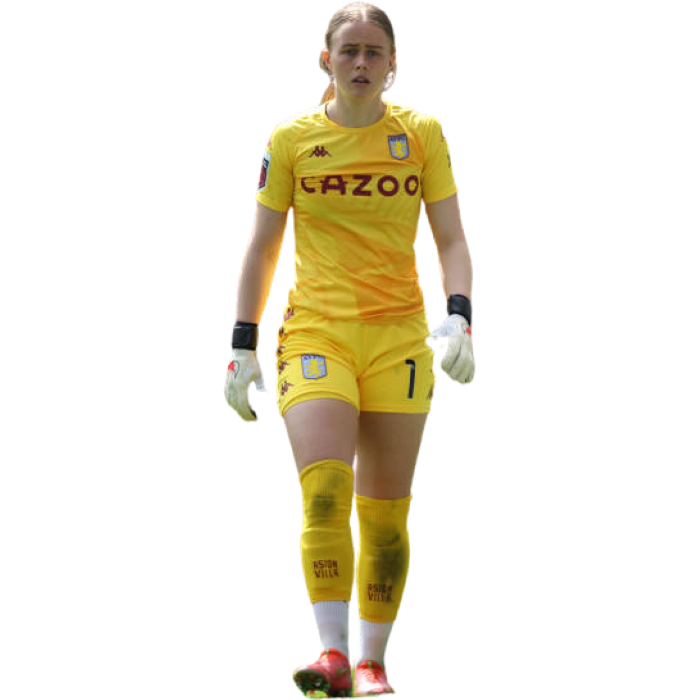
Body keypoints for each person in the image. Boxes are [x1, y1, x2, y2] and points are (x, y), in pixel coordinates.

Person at [224, 1, 475, 696]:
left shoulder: (422, 133)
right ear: (325, 60)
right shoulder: (291, 137)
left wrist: (460, 316)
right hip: (316, 330)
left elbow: (451, 236)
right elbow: (263, 245)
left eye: (374, 52)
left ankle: (372, 661)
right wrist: (242, 343)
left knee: (387, 513)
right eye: (349, 51)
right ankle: (331, 653)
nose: (360, 63)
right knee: (326, 489)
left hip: (399, 334)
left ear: (393, 65)